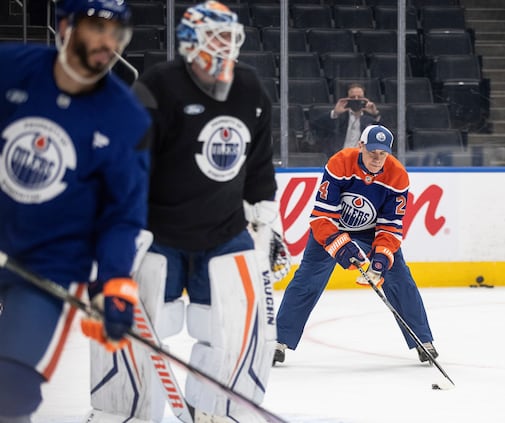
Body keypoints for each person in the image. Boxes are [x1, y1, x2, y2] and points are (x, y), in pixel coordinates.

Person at [87, 2, 290, 422]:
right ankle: (124, 412)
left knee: (234, 331)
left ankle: (213, 410)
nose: (226, 48)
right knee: (133, 329)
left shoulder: (251, 90)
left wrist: (267, 223)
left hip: (224, 229)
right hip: (159, 231)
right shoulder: (158, 85)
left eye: (230, 39)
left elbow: (258, 166)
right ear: (190, 42)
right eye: (216, 38)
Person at [0, 0, 151, 420]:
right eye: (95, 27)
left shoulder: (127, 120)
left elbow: (122, 216)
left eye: (116, 32)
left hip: (50, 269)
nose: (107, 41)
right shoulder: (9, 69)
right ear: (64, 25)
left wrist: (114, 283)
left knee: (10, 391)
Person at [273, 124, 439, 366]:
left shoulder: (398, 176)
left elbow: (391, 227)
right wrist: (341, 246)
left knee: (400, 277)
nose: (377, 158)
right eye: (372, 151)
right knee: (307, 279)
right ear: (360, 146)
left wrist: (380, 259)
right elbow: (321, 216)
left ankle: (423, 340)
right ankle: (279, 340)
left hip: (372, 232)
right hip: (333, 226)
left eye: (383, 153)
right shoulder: (340, 163)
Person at [311, 83, 382, 157]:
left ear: (365, 99)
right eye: (352, 97)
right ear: (347, 99)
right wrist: (335, 113)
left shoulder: (370, 118)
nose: (356, 100)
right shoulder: (338, 116)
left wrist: (375, 114)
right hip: (338, 157)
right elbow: (315, 126)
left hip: (362, 159)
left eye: (360, 97)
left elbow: (382, 136)